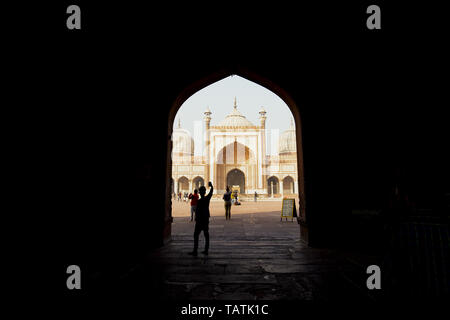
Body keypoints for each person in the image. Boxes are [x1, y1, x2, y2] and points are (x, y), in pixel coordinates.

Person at [189, 181, 213, 256]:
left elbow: (198, 211)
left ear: (199, 192)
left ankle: (195, 250)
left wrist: (196, 218)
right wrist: (211, 186)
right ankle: (206, 250)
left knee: (196, 235)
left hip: (200, 220)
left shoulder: (200, 201)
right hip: (205, 219)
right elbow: (211, 193)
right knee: (206, 234)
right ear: (205, 192)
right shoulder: (206, 199)